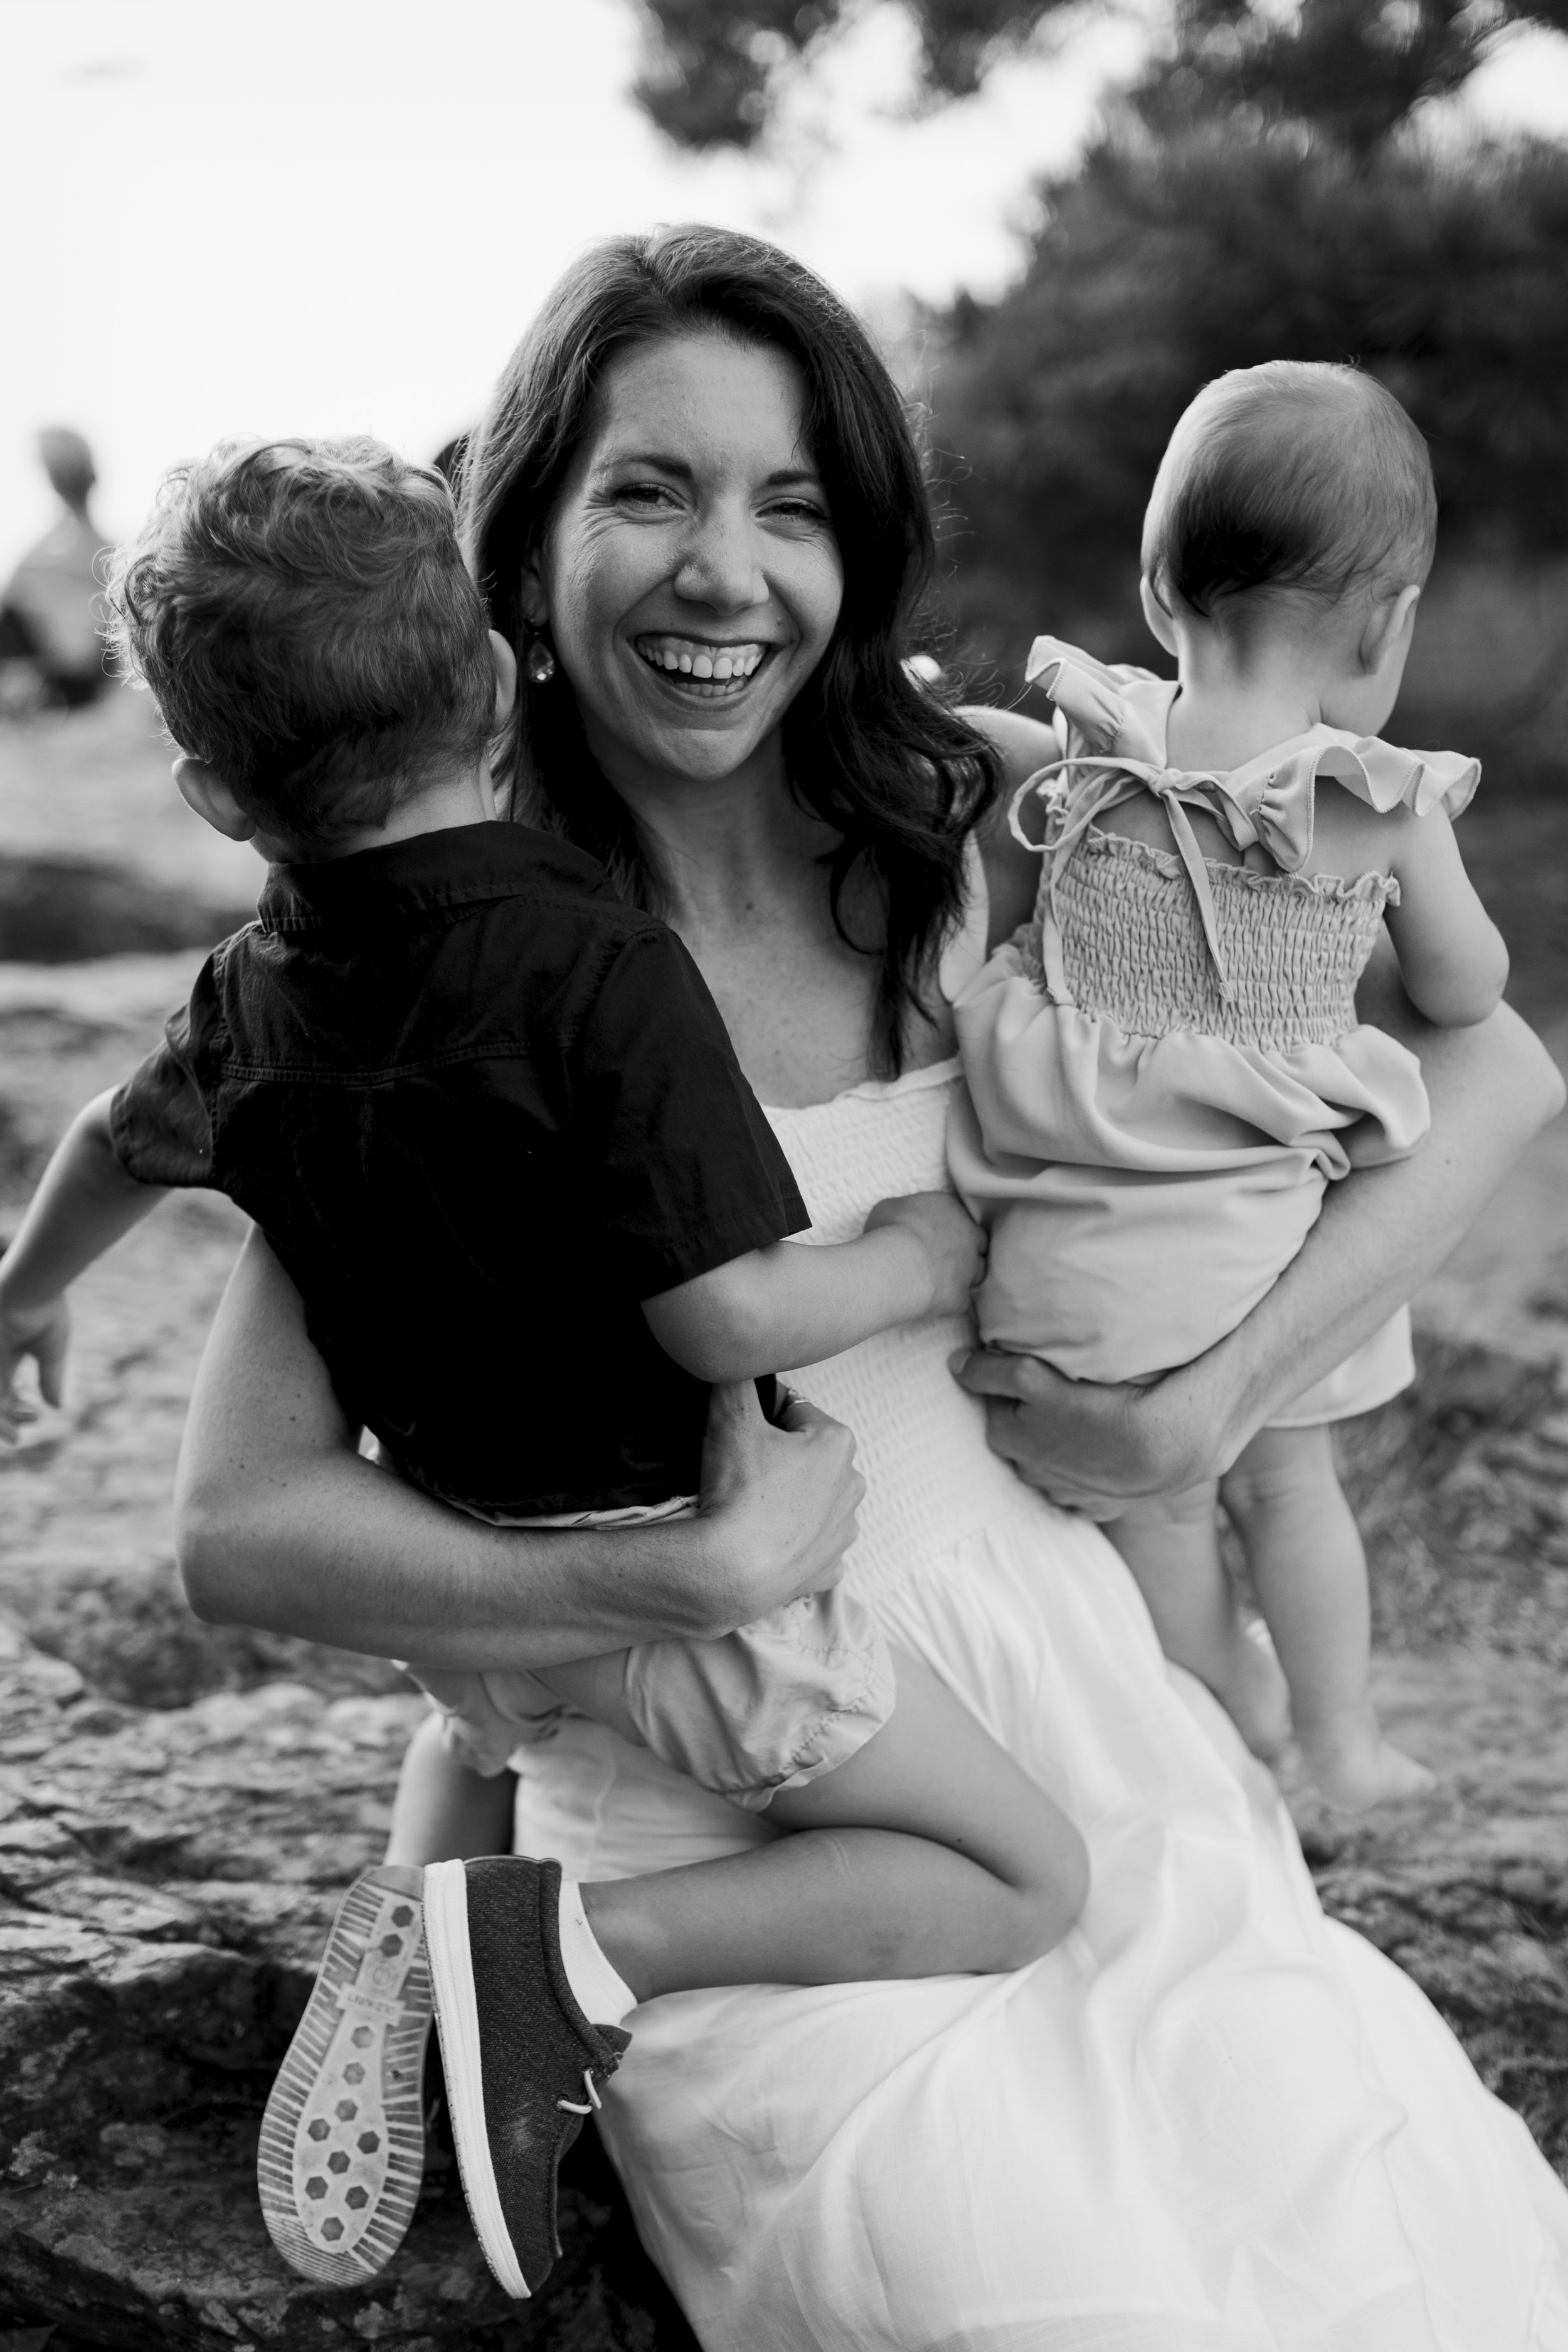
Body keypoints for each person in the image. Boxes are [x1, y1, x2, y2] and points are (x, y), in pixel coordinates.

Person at [151, 230, 1568, 2343]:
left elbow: (1498, 1066)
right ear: (521, 545)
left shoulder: (991, 810)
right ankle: (494, 1968)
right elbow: (238, 1524)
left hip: (1105, 1737)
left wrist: (1209, 1404)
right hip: (736, 1855)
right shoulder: (435, 973)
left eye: (793, 505)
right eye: (652, 492)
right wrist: (666, 1590)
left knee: (1424, 2268)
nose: (729, 571)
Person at [0, 432, 1086, 2294]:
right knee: (1025, 1876)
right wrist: (919, 1252)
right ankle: (571, 1944)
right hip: (683, 1572)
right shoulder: (599, 972)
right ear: (498, 682)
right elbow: (726, 1315)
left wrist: (25, 1294)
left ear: (200, 786)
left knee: (474, 1719)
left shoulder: (244, 998)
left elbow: (111, 1136)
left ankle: (413, 1944)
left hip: (455, 1564)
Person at [948, 361, 1511, 1814]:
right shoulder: (1368, 793)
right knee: (1291, 1490)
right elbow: (1463, 993)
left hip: (1078, 1250)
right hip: (1261, 1234)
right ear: (1386, 624)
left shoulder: (1097, 736)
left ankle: (1232, 1721)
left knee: (1167, 1528)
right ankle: (1338, 1742)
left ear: (1155, 591)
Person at [0, 428, 109, 708]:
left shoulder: (36, 566)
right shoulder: (115, 556)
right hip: (73, 692)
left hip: (74, 693)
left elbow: (78, 660)